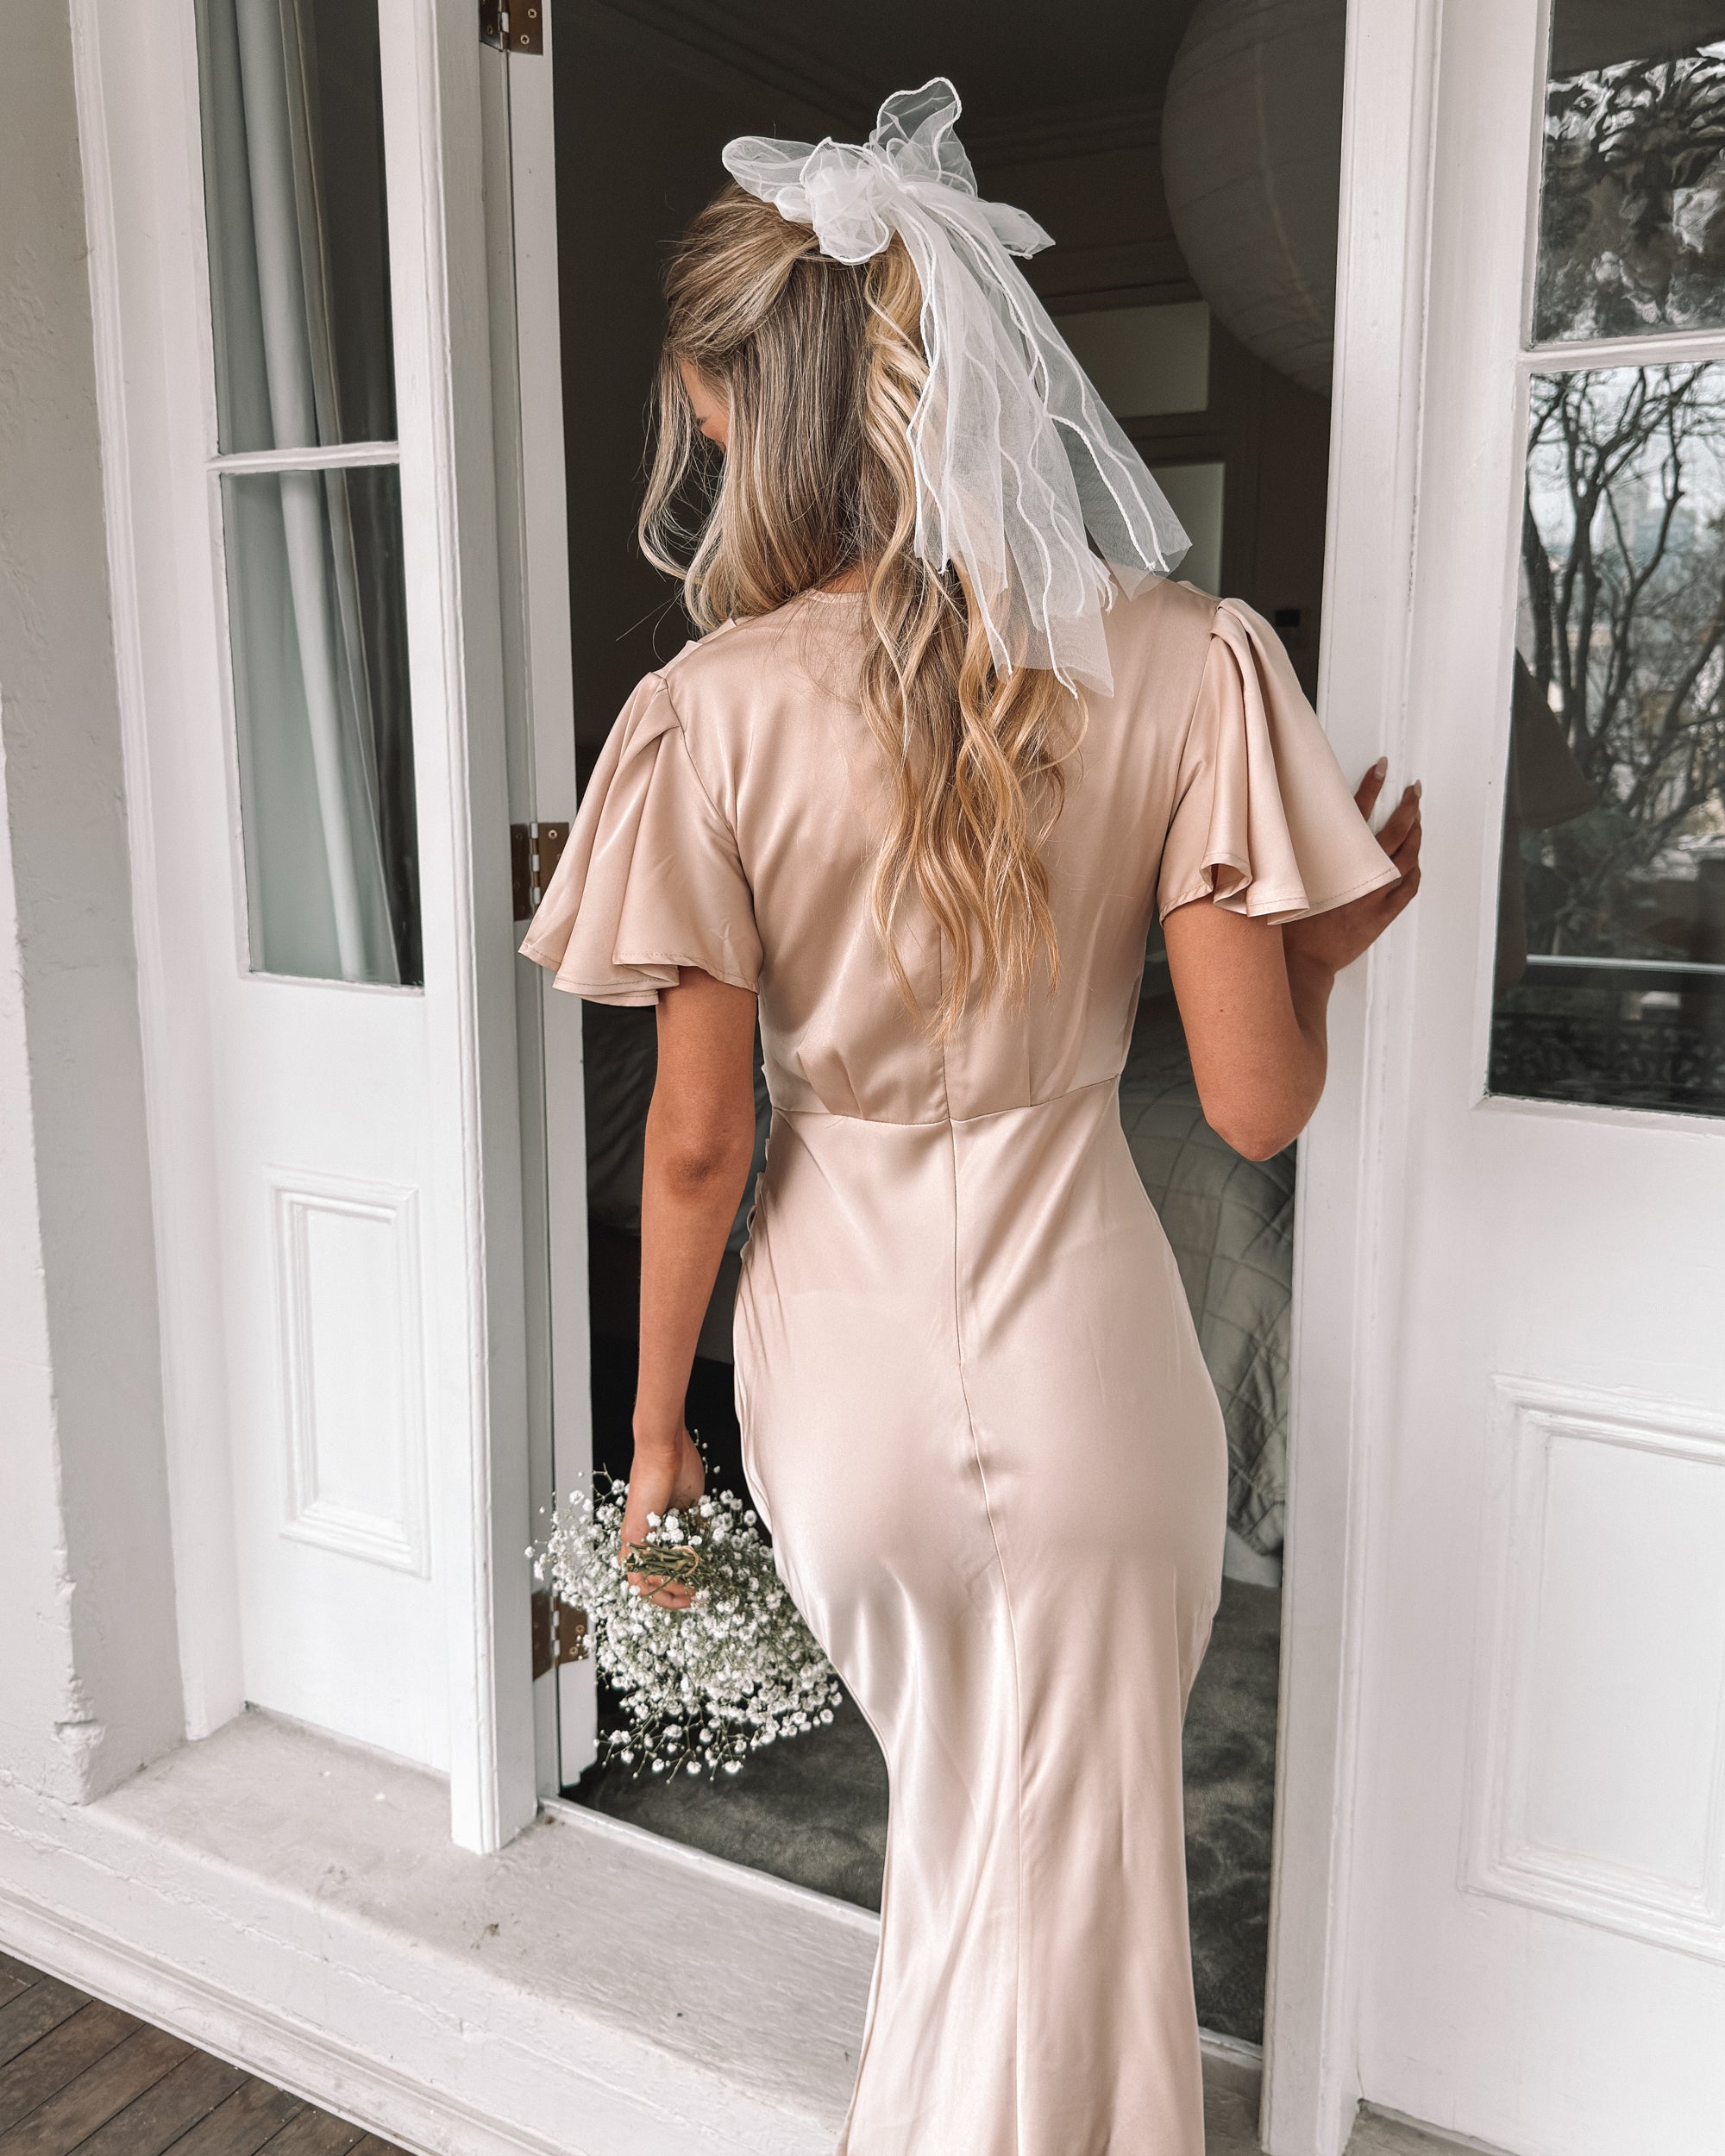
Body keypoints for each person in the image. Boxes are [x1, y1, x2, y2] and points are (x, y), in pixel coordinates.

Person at [523, 79, 1421, 2156]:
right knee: (1069, 1863)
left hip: (841, 1376)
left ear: (747, 409)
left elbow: (693, 1143)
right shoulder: (1190, 665)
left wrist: (656, 1437)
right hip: (1098, 1357)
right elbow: (1260, 1099)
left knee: (976, 1845)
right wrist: (1330, 941)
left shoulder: (704, 718)